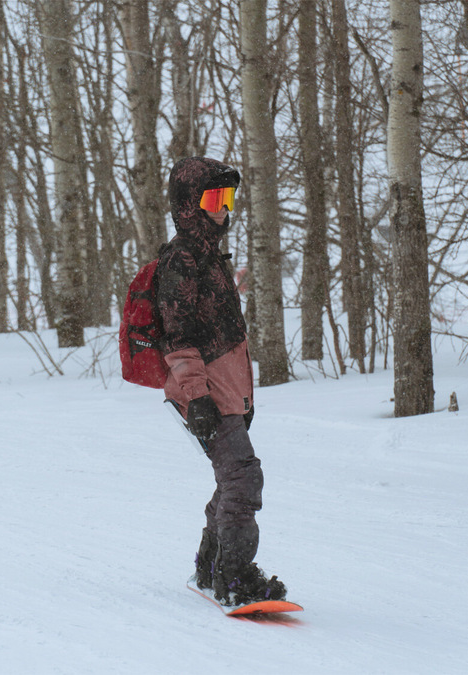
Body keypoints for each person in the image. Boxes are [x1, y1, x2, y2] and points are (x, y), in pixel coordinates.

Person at [157, 156, 287, 605]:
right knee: (243, 479)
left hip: (225, 392)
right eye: (214, 199)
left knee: (232, 479)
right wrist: (197, 399)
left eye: (228, 198)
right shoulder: (181, 258)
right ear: (189, 205)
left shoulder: (208, 254)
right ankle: (235, 577)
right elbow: (177, 338)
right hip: (204, 394)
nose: (223, 208)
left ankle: (209, 567)